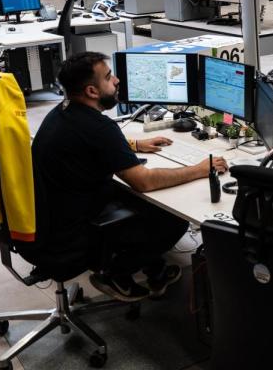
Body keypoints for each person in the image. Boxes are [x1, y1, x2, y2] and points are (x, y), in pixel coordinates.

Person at [28, 52, 228, 301]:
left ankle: (153, 269)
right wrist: (199, 169)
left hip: (49, 219)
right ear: (92, 91)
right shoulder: (99, 128)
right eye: (109, 77)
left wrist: (133, 144)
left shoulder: (63, 112)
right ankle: (115, 273)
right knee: (172, 221)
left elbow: (89, 144)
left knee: (140, 203)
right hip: (70, 235)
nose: (117, 80)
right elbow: (144, 181)